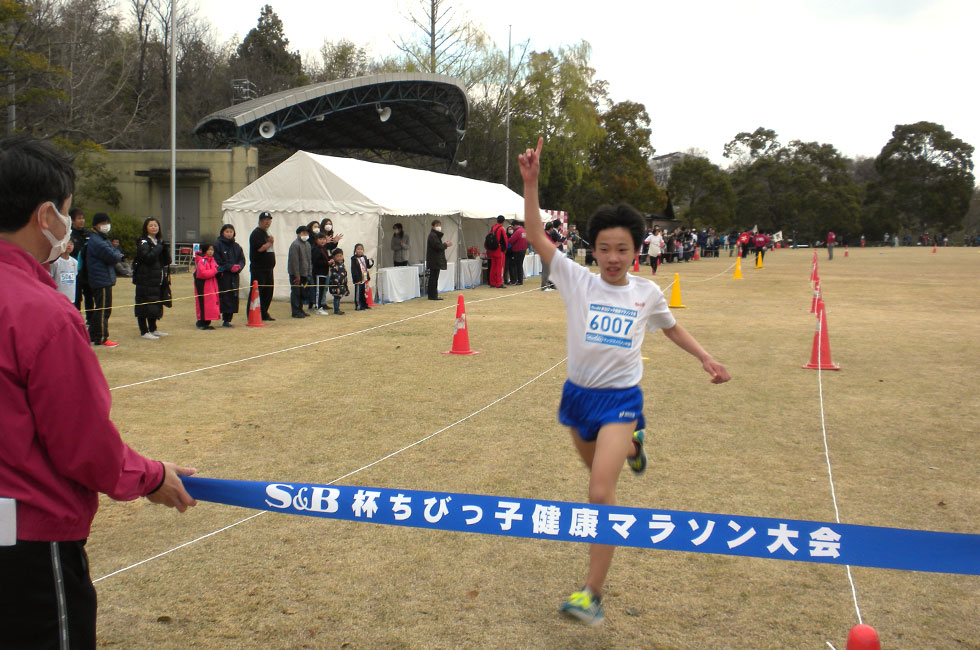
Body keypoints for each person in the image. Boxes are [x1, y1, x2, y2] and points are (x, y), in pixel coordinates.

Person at [518, 137, 730, 625]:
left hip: (620, 400)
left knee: (599, 494)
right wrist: (530, 184)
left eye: (623, 250)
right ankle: (635, 446)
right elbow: (534, 234)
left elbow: (671, 327)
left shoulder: (647, 292)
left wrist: (705, 357)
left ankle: (591, 594)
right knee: (595, 472)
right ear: (593, 249)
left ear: (638, 250)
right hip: (578, 400)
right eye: (604, 249)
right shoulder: (576, 279)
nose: (613, 258)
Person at [0, 134, 196, 650]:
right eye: (67, 212)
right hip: (26, 540)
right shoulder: (40, 312)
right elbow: (81, 441)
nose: (69, 224)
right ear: (46, 216)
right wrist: (150, 476)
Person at [85, 212, 123, 346]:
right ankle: (101, 337)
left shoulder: (101, 238)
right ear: (96, 225)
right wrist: (117, 253)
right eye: (103, 223)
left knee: (102, 308)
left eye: (107, 223)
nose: (106, 226)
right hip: (101, 278)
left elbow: (114, 252)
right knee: (103, 309)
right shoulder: (97, 241)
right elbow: (113, 256)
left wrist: (116, 253)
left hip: (103, 278)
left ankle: (91, 334)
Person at [132, 217, 171, 341]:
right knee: (143, 304)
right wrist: (159, 247)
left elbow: (167, 261)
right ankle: (144, 330)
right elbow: (148, 257)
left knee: (155, 303)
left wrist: (165, 249)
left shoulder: (158, 242)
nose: (154, 227)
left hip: (157, 279)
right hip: (145, 279)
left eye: (156, 225)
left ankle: (153, 328)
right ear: (146, 228)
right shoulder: (143, 242)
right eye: (151, 225)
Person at [213, 224, 246, 327]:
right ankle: (218, 317)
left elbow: (242, 259)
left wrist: (238, 267)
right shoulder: (217, 245)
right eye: (227, 232)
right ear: (222, 232)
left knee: (233, 296)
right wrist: (229, 267)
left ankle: (228, 319)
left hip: (234, 276)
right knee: (223, 296)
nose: (229, 234)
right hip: (222, 276)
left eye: (231, 232)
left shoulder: (237, 246)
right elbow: (217, 260)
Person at [249, 211, 276, 321]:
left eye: (269, 220)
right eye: (265, 220)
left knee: (268, 292)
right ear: (260, 221)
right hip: (259, 268)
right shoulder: (256, 233)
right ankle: (252, 313)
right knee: (257, 291)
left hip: (268, 268)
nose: (267, 222)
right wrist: (269, 243)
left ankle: (264, 312)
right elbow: (259, 249)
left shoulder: (267, 233)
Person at [69, 207, 92, 312]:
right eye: (79, 218)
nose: (82, 220)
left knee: (89, 295)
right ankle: (76, 316)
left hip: (87, 270)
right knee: (76, 297)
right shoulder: (69, 234)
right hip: (75, 270)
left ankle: (90, 319)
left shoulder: (88, 233)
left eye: (83, 218)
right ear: (73, 220)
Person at [193, 243, 220, 329]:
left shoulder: (213, 260)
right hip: (203, 285)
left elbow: (216, 269)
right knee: (203, 303)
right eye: (209, 250)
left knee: (210, 304)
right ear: (205, 250)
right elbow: (202, 273)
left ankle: (207, 322)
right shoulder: (202, 261)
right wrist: (215, 271)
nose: (211, 251)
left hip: (211, 285)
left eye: (212, 250)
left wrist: (220, 272)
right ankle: (201, 322)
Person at [287, 225, 311, 318]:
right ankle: (295, 311)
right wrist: (297, 275)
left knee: (302, 292)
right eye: (303, 233)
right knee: (296, 292)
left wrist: (309, 273)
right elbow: (294, 262)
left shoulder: (308, 245)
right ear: (298, 234)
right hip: (296, 274)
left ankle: (300, 309)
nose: (305, 235)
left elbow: (309, 260)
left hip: (305, 273)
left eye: (307, 233)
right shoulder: (295, 245)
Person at [426, 219, 451, 300]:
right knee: (433, 278)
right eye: (437, 225)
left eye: (439, 225)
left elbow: (438, 246)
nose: (439, 227)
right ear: (433, 226)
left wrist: (444, 245)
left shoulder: (434, 235)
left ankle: (432, 295)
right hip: (434, 260)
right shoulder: (433, 235)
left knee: (434, 278)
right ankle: (433, 295)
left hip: (434, 260)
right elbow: (438, 247)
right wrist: (445, 245)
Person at [311, 231, 332, 315]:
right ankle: (317, 307)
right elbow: (316, 262)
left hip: (324, 272)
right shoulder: (316, 249)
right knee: (318, 291)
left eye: (324, 239)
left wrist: (330, 260)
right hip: (318, 273)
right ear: (316, 240)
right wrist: (327, 263)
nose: (323, 241)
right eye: (320, 239)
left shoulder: (324, 249)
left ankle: (319, 306)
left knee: (321, 290)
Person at [350, 243, 374, 310]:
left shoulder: (364, 257)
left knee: (363, 292)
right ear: (355, 250)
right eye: (358, 249)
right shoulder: (354, 259)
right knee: (358, 292)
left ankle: (364, 305)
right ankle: (358, 305)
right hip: (358, 279)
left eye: (361, 249)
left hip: (364, 277)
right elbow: (353, 269)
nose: (360, 251)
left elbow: (368, 266)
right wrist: (356, 279)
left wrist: (371, 262)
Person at [488, 215, 507, 288]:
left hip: (492, 250)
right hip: (499, 250)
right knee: (500, 267)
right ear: (503, 221)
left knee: (493, 267)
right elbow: (505, 240)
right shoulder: (501, 229)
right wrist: (505, 249)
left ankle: (492, 282)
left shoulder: (492, 228)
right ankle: (499, 283)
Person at [327, 248, 349, 314]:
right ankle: (336, 310)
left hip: (341, 284)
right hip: (335, 285)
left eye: (340, 256)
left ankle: (338, 309)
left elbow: (344, 274)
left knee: (339, 297)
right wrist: (336, 287)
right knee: (336, 297)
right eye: (337, 256)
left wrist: (346, 286)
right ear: (334, 257)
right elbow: (334, 277)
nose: (339, 258)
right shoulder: (334, 266)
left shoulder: (342, 265)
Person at [507, 220, 528, 285]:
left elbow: (511, 240)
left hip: (517, 250)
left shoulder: (517, 231)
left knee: (512, 265)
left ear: (515, 225)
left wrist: (507, 239)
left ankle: (513, 280)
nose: (512, 228)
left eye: (513, 227)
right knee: (520, 265)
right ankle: (520, 281)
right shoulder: (523, 230)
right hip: (523, 250)